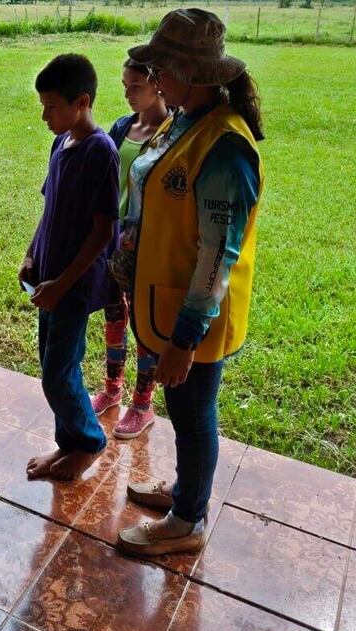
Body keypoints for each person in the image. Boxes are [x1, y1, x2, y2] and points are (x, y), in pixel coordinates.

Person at [112, 9, 264, 555]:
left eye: (162, 68)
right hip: (165, 302)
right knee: (184, 412)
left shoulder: (225, 147)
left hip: (191, 317)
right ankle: (186, 490)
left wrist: (184, 340)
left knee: (195, 413)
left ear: (191, 73)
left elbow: (217, 258)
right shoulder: (186, 120)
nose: (155, 77)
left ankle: (187, 520)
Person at [21, 54, 120, 481]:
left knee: (58, 371)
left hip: (74, 284)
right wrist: (31, 254)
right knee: (52, 364)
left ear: (81, 101)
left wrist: (62, 283)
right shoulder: (60, 143)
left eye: (52, 106)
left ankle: (89, 442)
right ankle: (69, 444)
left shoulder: (101, 151)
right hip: (50, 277)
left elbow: (102, 232)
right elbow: (51, 209)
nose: (45, 115)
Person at [89, 57, 169, 440]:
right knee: (113, 315)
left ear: (158, 84)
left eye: (135, 85)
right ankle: (111, 388)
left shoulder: (172, 134)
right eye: (124, 85)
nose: (127, 92)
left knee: (142, 323)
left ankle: (143, 404)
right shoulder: (123, 126)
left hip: (146, 244)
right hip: (112, 239)